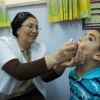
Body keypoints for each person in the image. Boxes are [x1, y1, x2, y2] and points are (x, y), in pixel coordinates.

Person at [0, 12, 85, 100]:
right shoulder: (4, 43)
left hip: (32, 92)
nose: (35, 31)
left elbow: (45, 77)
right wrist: (56, 57)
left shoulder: (40, 47)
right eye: (30, 26)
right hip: (10, 96)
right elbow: (18, 72)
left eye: (37, 27)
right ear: (17, 29)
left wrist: (61, 65)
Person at [69, 29, 100, 100]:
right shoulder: (73, 70)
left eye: (90, 39)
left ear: (98, 55)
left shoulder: (97, 88)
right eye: (84, 36)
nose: (80, 38)